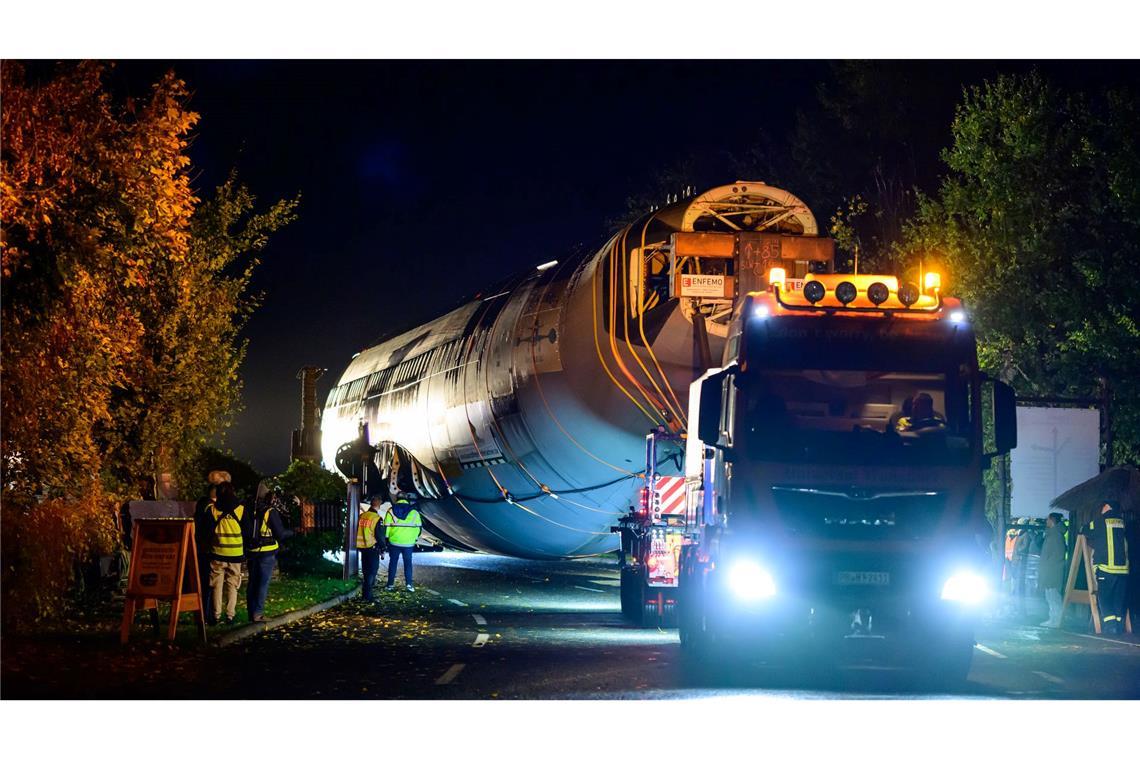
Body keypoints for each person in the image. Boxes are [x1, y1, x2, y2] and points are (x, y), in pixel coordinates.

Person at [245, 486, 292, 622]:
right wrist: (293, 531)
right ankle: (258, 614)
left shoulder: (247, 509)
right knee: (262, 583)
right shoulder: (269, 511)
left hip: (252, 551)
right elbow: (280, 534)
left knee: (252, 583)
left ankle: (251, 613)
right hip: (267, 552)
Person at [1085, 500, 1131, 635]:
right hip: (1123, 570)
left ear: (1107, 507)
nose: (1101, 509)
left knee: (1105, 598)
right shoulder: (1123, 522)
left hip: (1106, 568)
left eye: (1103, 506)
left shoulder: (1101, 521)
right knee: (1118, 599)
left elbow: (1086, 529)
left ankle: (1111, 627)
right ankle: (1118, 626)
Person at [194, 470, 231, 624]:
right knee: (207, 584)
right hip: (208, 549)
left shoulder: (202, 504)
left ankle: (204, 615)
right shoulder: (210, 507)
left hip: (203, 547)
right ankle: (206, 616)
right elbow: (211, 529)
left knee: (206, 583)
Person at [207, 482, 246, 624]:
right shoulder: (241, 509)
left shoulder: (213, 509)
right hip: (236, 553)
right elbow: (246, 530)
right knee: (232, 584)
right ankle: (230, 615)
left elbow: (208, 530)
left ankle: (216, 615)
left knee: (216, 585)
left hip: (217, 552)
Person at [384, 492, 423, 592]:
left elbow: (386, 528)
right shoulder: (414, 512)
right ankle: (409, 585)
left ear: (397, 499)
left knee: (393, 563)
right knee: (408, 563)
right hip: (408, 543)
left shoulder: (390, 511)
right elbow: (418, 529)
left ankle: (390, 585)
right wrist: (413, 539)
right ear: (407, 499)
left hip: (394, 542)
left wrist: (388, 538)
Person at [1038, 512, 1067, 628]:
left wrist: (1048, 567)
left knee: (1054, 596)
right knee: (1050, 596)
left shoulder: (1056, 535)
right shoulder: (1053, 534)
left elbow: (1058, 555)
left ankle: (1057, 620)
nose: (1046, 521)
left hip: (1052, 570)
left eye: (1048, 519)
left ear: (1052, 521)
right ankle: (1053, 619)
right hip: (1049, 570)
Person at [357, 497, 386, 601]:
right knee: (372, 572)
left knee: (365, 571)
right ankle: (368, 596)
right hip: (372, 548)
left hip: (362, 547)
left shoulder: (362, 516)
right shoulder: (377, 518)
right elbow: (380, 536)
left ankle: (365, 595)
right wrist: (383, 549)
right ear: (378, 506)